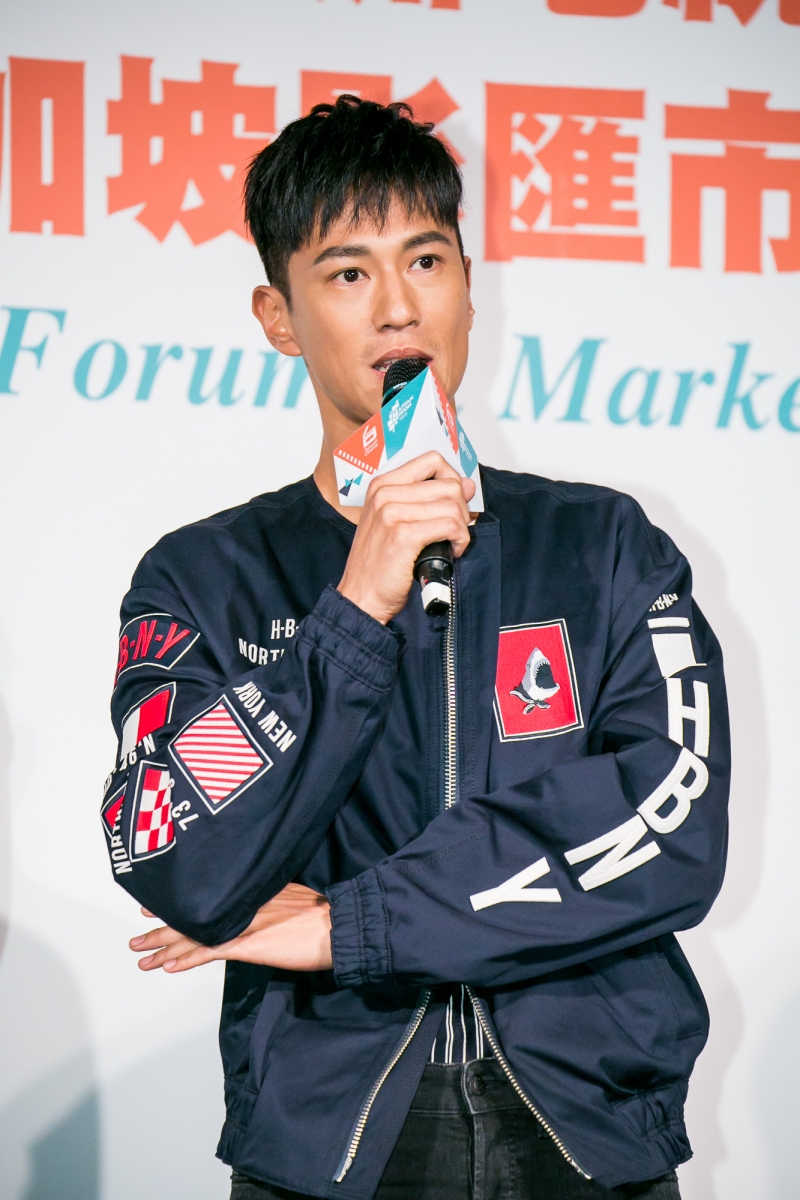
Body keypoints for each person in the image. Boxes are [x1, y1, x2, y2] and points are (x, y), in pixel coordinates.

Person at [103, 96, 730, 1200]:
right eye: (347, 273)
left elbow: (670, 825)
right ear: (278, 315)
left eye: (426, 261)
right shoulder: (202, 576)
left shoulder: (602, 545)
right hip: (332, 1146)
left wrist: (352, 924)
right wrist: (351, 611)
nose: (399, 307)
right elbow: (173, 854)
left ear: (470, 288)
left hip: (586, 1133)